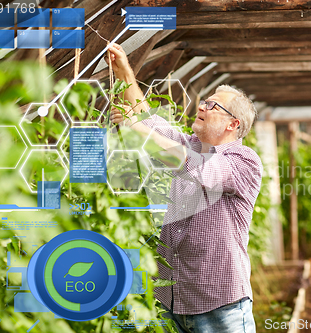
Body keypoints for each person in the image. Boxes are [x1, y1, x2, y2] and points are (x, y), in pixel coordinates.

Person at [107, 43, 261, 333]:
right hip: (174, 301)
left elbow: (197, 167)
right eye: (204, 101)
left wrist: (137, 129)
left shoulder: (244, 161)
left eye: (213, 105)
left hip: (221, 305)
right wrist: (125, 72)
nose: (202, 106)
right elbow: (146, 120)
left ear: (233, 123)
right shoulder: (188, 144)